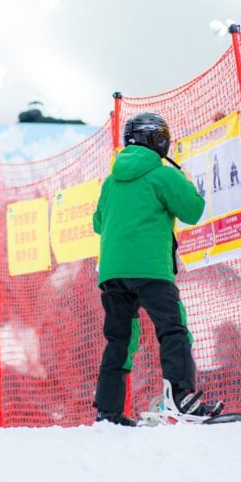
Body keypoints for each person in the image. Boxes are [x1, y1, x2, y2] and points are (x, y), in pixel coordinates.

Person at [91, 112, 220, 426]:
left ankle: (108, 411)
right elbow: (193, 210)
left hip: (112, 272)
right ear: (159, 141)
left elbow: (98, 224)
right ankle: (180, 398)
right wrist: (186, 180)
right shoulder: (163, 174)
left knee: (119, 338)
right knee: (173, 330)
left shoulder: (110, 181)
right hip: (151, 269)